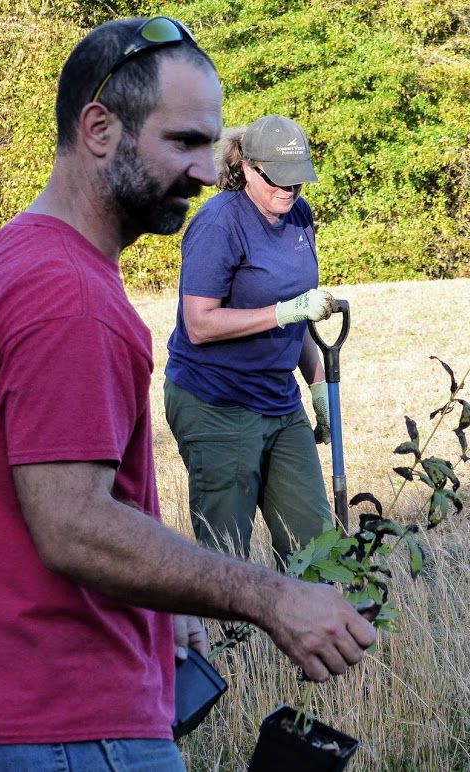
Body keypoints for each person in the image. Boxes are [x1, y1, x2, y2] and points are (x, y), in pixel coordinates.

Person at [0, 17, 375, 770]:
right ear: (99, 128)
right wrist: (272, 597)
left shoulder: (13, 257)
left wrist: (160, 608)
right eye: (183, 141)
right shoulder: (69, 297)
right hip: (64, 725)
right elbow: (73, 525)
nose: (209, 170)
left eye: (211, 144)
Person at [163, 115, 337, 566]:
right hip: (215, 403)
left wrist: (317, 383)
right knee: (226, 557)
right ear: (248, 168)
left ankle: (308, 630)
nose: (290, 190)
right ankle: (227, 638)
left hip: (279, 400)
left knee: (314, 548)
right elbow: (199, 324)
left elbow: (297, 310)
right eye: (278, 179)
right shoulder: (219, 224)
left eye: (298, 180)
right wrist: (284, 312)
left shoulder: (299, 215)